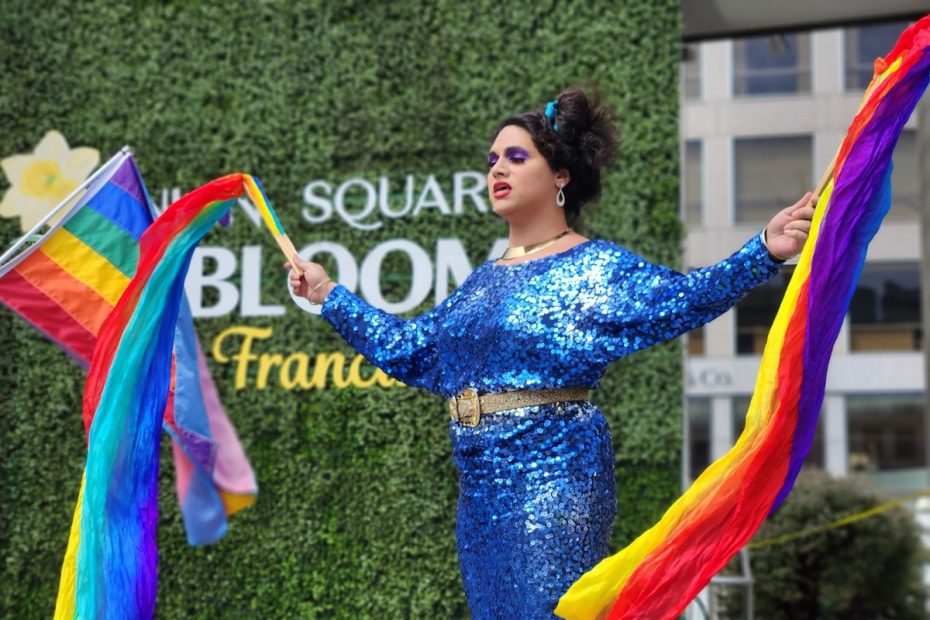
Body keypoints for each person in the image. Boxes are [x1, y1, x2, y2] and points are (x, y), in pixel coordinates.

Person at [287, 88, 814, 619]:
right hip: (479, 494)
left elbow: (682, 300)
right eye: (492, 160)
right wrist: (329, 294)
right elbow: (413, 353)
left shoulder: (593, 267)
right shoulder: (482, 282)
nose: (498, 169)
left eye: (516, 158)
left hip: (554, 480)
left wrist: (763, 250)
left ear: (560, 176)